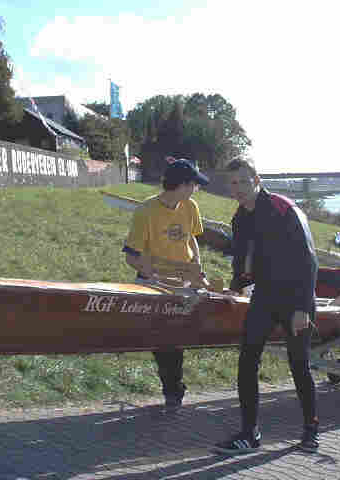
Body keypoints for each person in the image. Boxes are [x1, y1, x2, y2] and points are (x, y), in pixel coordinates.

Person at [214, 159, 319, 455]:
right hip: (266, 296)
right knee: (247, 361)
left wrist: (302, 308)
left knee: (299, 364)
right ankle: (250, 433)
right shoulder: (239, 218)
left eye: (243, 182)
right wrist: (234, 289)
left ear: (256, 179)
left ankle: (311, 430)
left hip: (297, 297)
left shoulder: (282, 208)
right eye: (232, 183)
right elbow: (242, 262)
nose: (238, 189)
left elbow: (309, 260)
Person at [122, 158, 209, 408]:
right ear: (182, 185)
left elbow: (191, 240)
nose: (196, 189)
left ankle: (174, 387)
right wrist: (154, 276)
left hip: (185, 282)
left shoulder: (190, 207)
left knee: (178, 335)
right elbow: (131, 256)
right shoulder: (145, 211)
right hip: (155, 283)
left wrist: (197, 267)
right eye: (194, 184)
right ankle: (173, 390)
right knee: (165, 339)